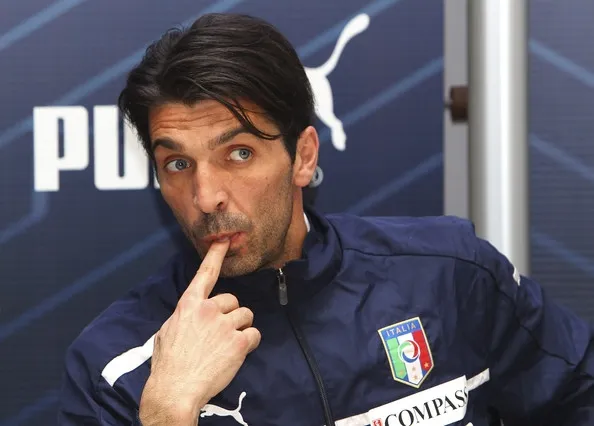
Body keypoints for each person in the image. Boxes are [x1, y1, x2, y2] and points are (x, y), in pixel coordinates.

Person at [57, 12, 594, 426]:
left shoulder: (449, 272)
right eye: (177, 164)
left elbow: (578, 395)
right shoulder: (116, 367)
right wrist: (167, 412)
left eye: (239, 153)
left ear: (303, 156)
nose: (207, 196)